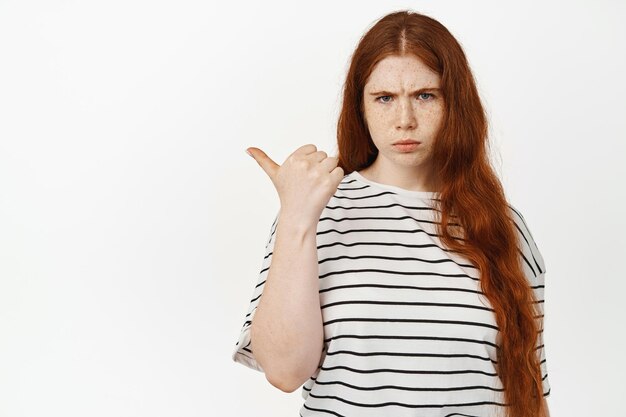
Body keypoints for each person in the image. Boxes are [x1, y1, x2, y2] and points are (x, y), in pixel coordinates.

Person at [233, 9, 551, 417]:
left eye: (425, 95)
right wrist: (297, 218)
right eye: (384, 98)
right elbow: (284, 371)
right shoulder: (316, 211)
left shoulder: (505, 226)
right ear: (361, 107)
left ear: (455, 103)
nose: (405, 120)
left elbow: (530, 390)